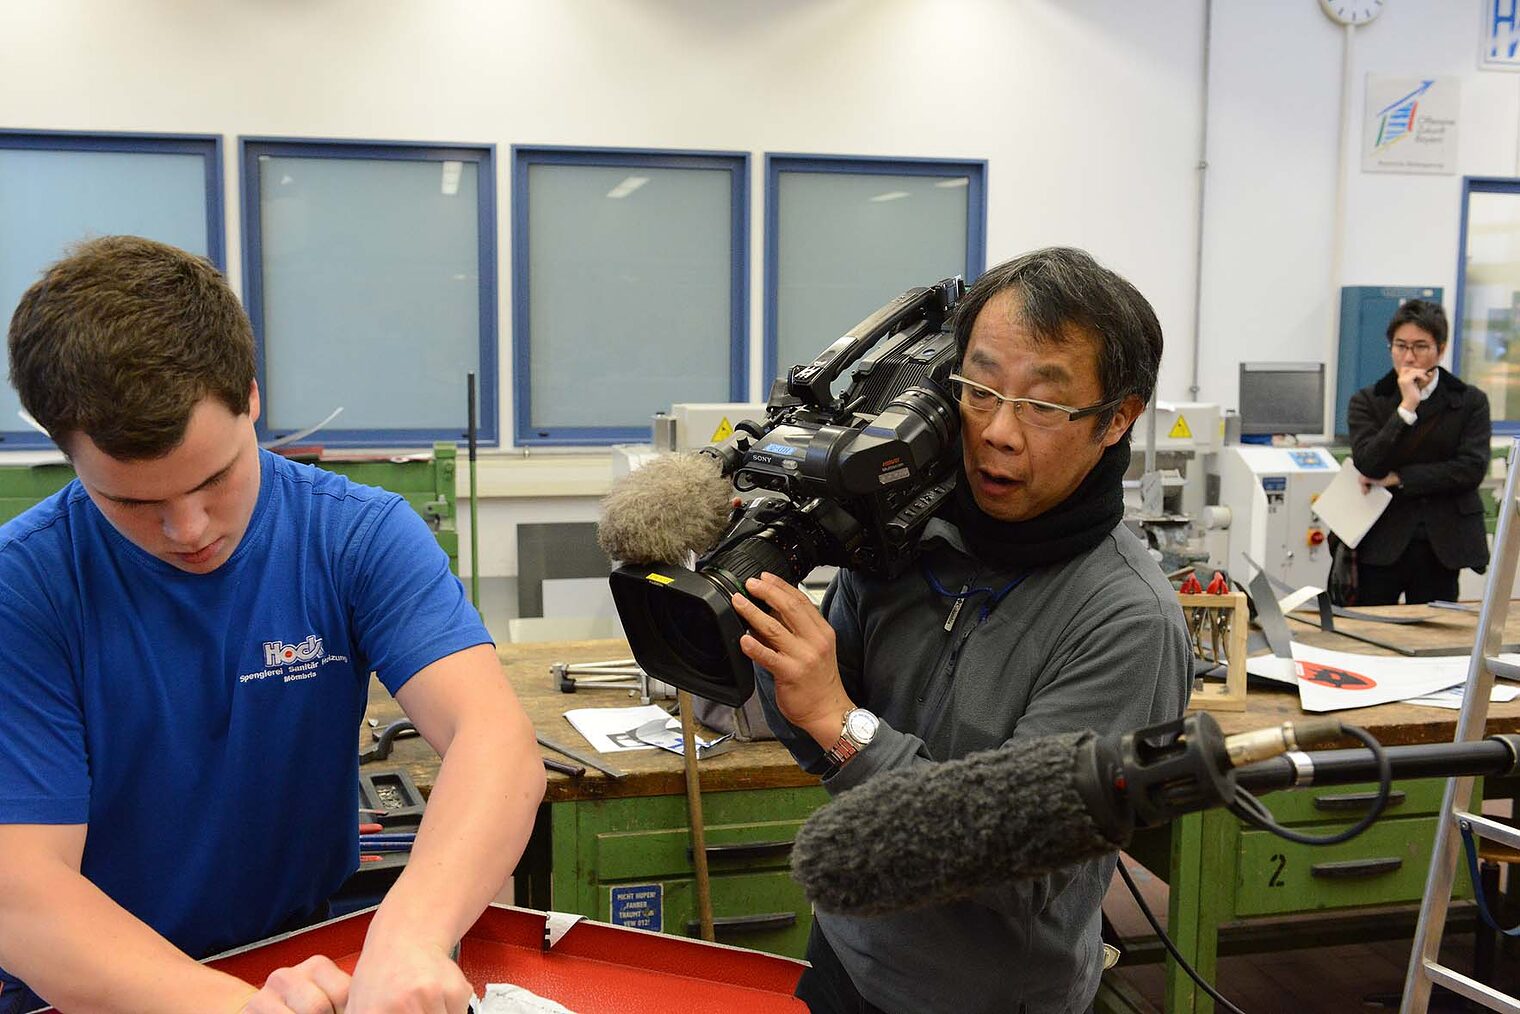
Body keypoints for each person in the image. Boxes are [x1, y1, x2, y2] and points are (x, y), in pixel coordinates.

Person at [0, 236, 546, 1014]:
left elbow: (495, 742)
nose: (188, 529)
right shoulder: (24, 590)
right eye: (133, 503)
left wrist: (410, 937)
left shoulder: (356, 535)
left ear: (251, 397)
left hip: (300, 965)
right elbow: (22, 894)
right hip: (100, 993)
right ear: (64, 454)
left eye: (214, 477)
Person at [736, 248, 1192, 1014]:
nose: (998, 433)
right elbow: (811, 731)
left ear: (1118, 419)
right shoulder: (909, 536)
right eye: (979, 391)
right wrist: (750, 618)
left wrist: (840, 721)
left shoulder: (1126, 620)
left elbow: (1022, 868)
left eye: (1044, 406)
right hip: (843, 960)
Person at [1345, 299, 1490, 606]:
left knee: (1434, 639)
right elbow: (1369, 462)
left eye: (1420, 346)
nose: (1409, 356)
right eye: (1400, 346)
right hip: (1382, 540)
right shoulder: (1368, 400)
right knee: (1370, 632)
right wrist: (1406, 407)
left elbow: (1470, 469)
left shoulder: (1470, 401)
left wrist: (1400, 477)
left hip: (1443, 543)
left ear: (1441, 347)